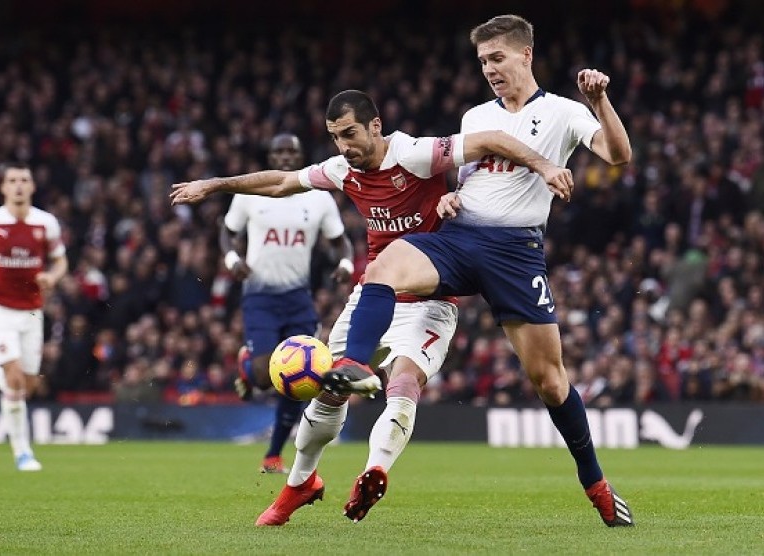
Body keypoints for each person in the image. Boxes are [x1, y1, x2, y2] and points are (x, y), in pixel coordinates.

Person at [171, 89, 572, 526]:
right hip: (371, 298)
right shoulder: (343, 171)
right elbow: (283, 183)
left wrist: (546, 165)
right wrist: (216, 185)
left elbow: (491, 138)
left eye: (350, 134)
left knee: (404, 381)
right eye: (335, 137)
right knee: (329, 389)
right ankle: (300, 484)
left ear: (375, 126)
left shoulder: (416, 155)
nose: (343, 146)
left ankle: (374, 470)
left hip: (429, 299)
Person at [330, 15, 635, 527]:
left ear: (526, 55)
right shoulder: (474, 117)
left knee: (550, 382)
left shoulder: (562, 112)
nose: (490, 69)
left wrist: (598, 101)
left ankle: (596, 483)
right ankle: (358, 365)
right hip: (461, 239)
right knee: (382, 266)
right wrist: (450, 196)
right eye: (483, 62)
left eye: (497, 59)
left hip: (516, 254)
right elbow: (465, 179)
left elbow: (618, 155)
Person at [223, 132, 354, 473]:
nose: (284, 157)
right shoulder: (249, 193)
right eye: (278, 151)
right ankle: (247, 366)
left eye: (290, 152)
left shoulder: (319, 197)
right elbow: (227, 232)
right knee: (266, 378)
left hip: (298, 298)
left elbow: (341, 242)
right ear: (270, 157)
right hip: (259, 295)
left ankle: (273, 454)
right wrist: (232, 260)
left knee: (300, 381)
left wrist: (345, 264)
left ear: (299, 157)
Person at [0, 163, 68, 471]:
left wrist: (52, 277)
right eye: (12, 181)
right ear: (3, 187)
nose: (18, 185)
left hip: (32, 311)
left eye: (24, 180)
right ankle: (23, 453)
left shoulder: (46, 224)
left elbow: (61, 262)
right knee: (15, 378)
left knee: (27, 386)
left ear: (32, 187)